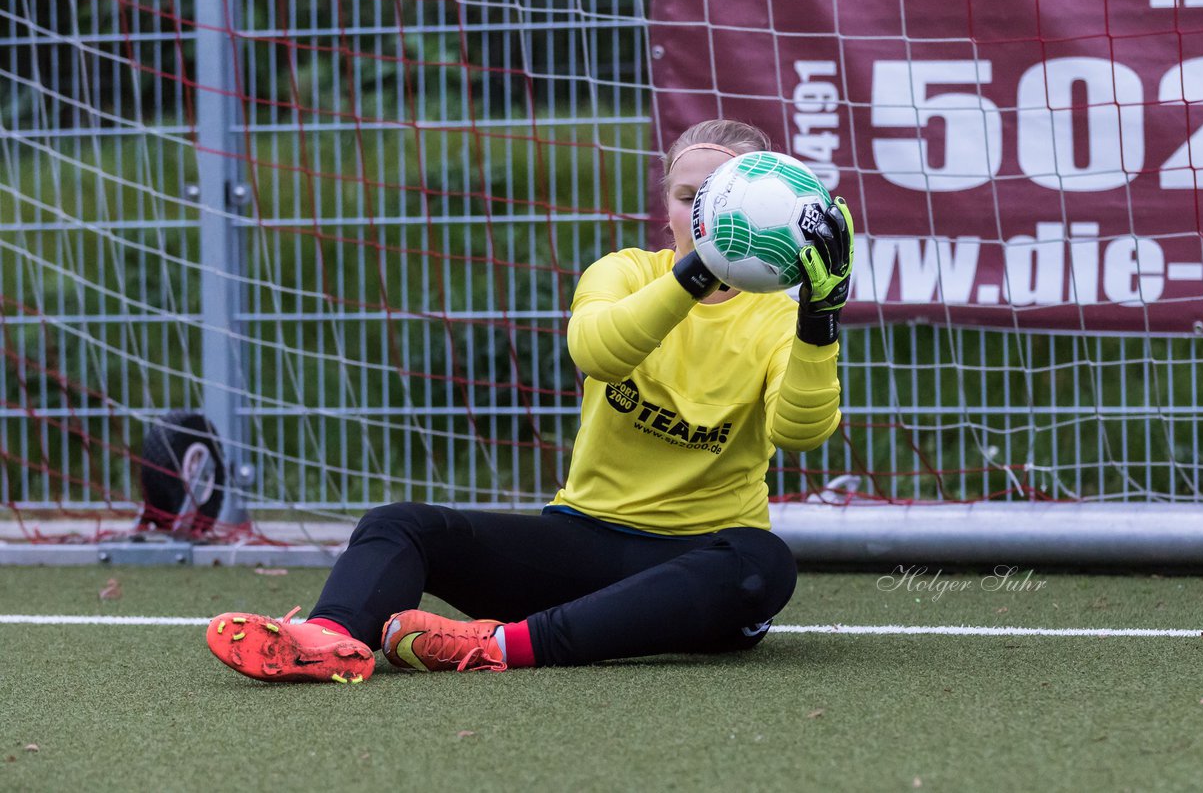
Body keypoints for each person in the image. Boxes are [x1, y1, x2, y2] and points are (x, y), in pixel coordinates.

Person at [205, 119, 852, 682]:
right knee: (399, 523)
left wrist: (821, 315)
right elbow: (599, 352)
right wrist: (696, 272)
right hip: (582, 540)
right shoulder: (624, 272)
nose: (712, 221)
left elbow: (801, 432)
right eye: (693, 199)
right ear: (669, 208)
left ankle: (502, 647)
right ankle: (327, 641)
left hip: (694, 561)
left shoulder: (779, 319)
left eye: (731, 207)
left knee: (761, 564)